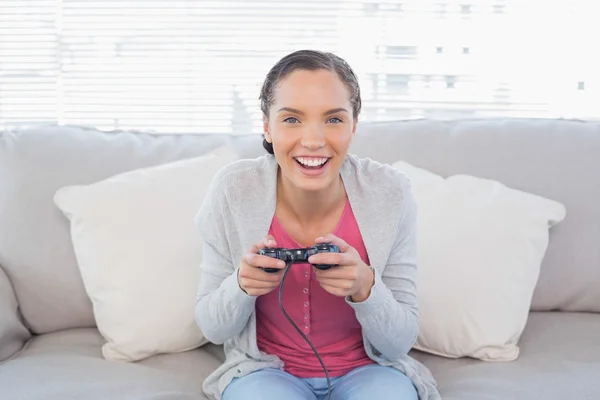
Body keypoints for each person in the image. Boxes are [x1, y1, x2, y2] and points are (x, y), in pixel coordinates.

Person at [194, 50, 440, 400]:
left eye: (334, 119)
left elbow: (399, 342)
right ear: (267, 124)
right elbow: (213, 329)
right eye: (292, 119)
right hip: (265, 373)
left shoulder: (390, 192)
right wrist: (241, 285)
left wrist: (365, 286)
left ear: (354, 124)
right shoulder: (233, 190)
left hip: (370, 372)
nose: (313, 140)